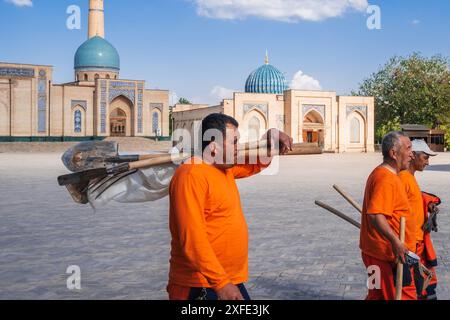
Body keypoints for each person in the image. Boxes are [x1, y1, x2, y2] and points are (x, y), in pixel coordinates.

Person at [166, 113, 293, 300]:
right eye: (234, 142)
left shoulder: (223, 168)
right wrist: (221, 284)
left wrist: (272, 137)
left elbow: (257, 163)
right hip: (200, 285)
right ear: (214, 144)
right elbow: (192, 239)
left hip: (226, 280)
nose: (239, 148)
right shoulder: (191, 175)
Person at [359, 131, 417, 300]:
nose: (412, 154)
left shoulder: (388, 175)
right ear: (393, 153)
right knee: (396, 296)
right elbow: (376, 215)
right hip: (385, 256)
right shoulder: (386, 178)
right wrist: (396, 242)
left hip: (377, 252)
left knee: (376, 295)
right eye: (408, 148)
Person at [398, 139, 440, 300]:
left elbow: (414, 198)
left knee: (426, 289)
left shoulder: (409, 177)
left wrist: (428, 203)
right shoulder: (402, 178)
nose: (428, 162)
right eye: (425, 157)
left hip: (418, 244)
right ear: (413, 155)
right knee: (414, 290)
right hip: (409, 246)